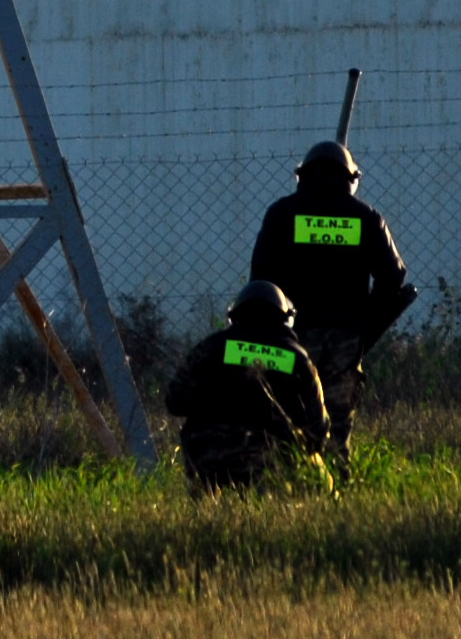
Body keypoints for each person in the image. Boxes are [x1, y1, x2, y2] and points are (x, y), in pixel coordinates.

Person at [249, 140, 415, 466]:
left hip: (291, 337)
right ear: (350, 178)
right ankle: (336, 479)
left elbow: (260, 278)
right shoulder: (366, 217)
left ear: (303, 175)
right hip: (346, 335)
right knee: (337, 416)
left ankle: (290, 475)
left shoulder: (282, 214)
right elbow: (394, 276)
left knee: (290, 407)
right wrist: (365, 316)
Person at [164, 280, 329, 491]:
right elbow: (319, 426)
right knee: (324, 481)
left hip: (208, 459)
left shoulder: (211, 347)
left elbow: (174, 402)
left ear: (235, 316)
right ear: (284, 318)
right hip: (271, 462)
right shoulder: (296, 358)